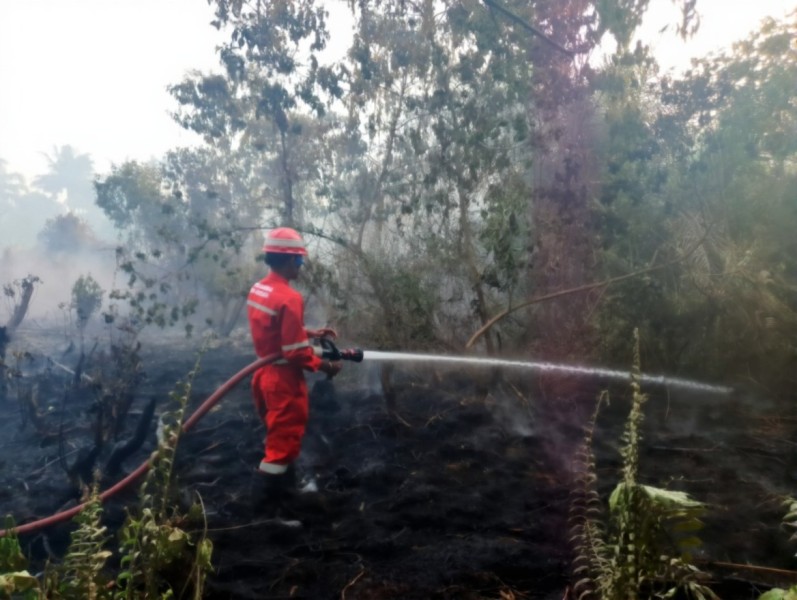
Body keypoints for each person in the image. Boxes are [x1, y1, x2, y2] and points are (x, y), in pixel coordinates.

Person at [247, 227, 342, 506]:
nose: (301, 267)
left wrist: (311, 333)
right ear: (289, 261)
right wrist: (326, 367)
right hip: (283, 380)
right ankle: (270, 506)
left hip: (264, 375)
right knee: (283, 443)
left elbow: (276, 330)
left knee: (278, 436)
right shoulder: (289, 297)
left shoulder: (260, 289)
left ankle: (284, 489)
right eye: (300, 261)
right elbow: (295, 354)